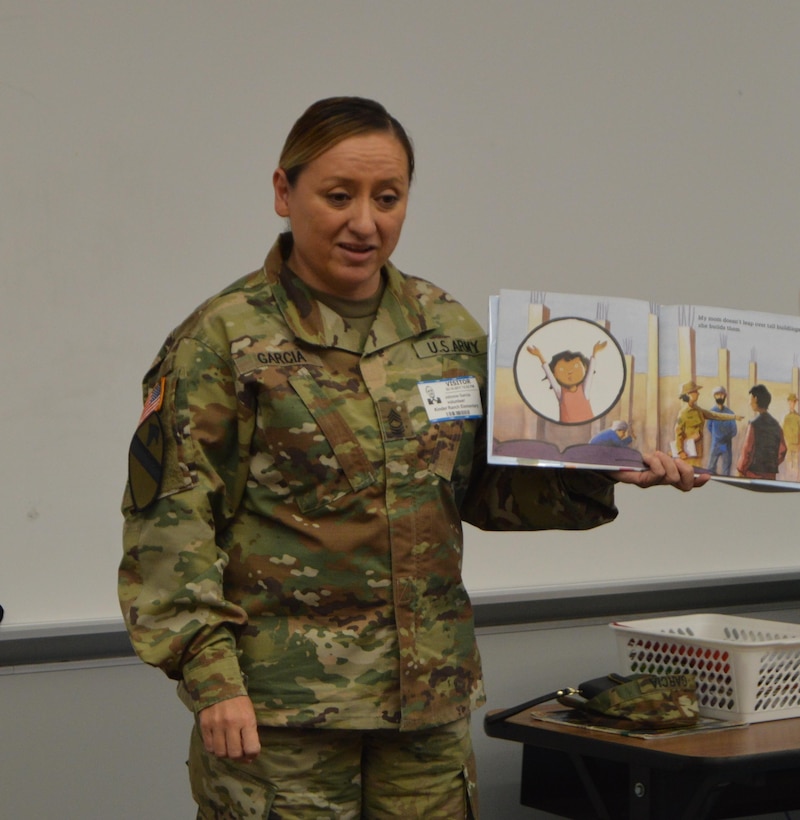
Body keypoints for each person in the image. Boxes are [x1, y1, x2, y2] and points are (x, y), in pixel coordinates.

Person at [118, 96, 706, 820]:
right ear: (283, 191)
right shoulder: (222, 339)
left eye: (387, 198)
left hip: (425, 705)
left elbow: (484, 489)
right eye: (339, 196)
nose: (365, 221)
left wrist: (599, 467)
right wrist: (214, 680)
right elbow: (171, 526)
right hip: (282, 715)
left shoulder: (445, 329)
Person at [525, 341, 606, 423]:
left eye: (576, 366)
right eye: (562, 369)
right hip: (567, 428)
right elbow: (550, 375)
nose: (569, 372)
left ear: (584, 368)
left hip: (587, 425)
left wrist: (594, 352)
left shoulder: (584, 390)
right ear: (555, 374)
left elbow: (590, 374)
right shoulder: (560, 392)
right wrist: (539, 356)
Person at [674, 381, 741, 468]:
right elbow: (678, 433)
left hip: (697, 451)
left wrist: (734, 417)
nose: (698, 393)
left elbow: (715, 415)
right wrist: (680, 451)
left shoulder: (698, 410)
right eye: (695, 391)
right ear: (688, 394)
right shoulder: (683, 413)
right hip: (687, 453)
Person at [737, 384, 787, 480]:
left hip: (753, 473)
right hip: (770, 474)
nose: (749, 402)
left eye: (750, 399)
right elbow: (783, 450)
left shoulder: (753, 424)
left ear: (755, 398)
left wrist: (740, 470)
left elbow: (747, 451)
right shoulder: (776, 425)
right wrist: (772, 462)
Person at [704, 386, 738, 476]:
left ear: (725, 396)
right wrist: (717, 436)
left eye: (722, 394)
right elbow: (709, 427)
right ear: (714, 397)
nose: (720, 397)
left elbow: (734, 430)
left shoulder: (730, 413)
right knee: (711, 468)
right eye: (717, 395)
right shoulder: (711, 412)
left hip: (726, 446)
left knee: (726, 468)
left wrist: (726, 437)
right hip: (715, 444)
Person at [782, 393, 800, 476]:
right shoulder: (786, 418)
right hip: (789, 446)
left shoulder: (798, 418)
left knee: (796, 467)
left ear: (795, 403)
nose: (792, 404)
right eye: (790, 402)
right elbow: (783, 432)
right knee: (788, 467)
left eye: (793, 402)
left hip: (797, 446)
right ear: (788, 403)